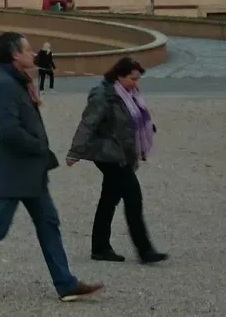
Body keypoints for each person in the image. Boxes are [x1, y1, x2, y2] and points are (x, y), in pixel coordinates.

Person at [0, 32, 104, 303]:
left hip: (29, 169)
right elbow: (9, 131)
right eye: (28, 49)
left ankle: (65, 283)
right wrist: (39, 146)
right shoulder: (3, 85)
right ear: (14, 55)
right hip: (13, 169)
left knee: (48, 222)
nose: (33, 54)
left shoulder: (15, 80)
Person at [66, 56, 167, 265]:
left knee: (110, 197)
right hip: (108, 154)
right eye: (132, 78)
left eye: (137, 79)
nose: (136, 83)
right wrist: (75, 152)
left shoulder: (130, 95)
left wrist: (148, 129)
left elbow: (131, 121)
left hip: (121, 153)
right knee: (133, 197)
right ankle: (145, 250)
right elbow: (88, 123)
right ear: (119, 76)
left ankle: (100, 247)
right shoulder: (103, 95)